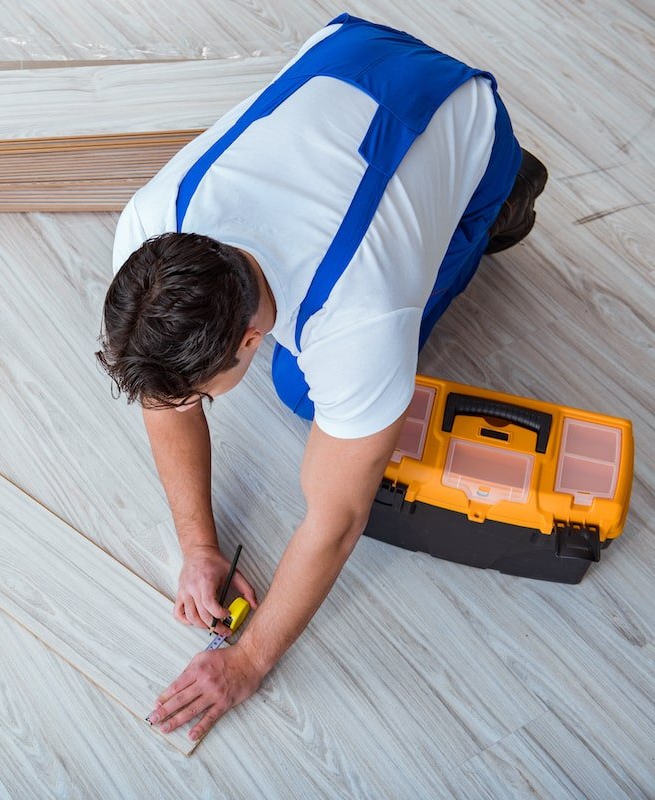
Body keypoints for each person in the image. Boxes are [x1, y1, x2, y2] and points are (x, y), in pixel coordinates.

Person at [95, 14, 547, 741]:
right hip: (351, 47)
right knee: (310, 389)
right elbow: (164, 398)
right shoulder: (150, 229)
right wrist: (198, 548)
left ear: (250, 337)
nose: (186, 405)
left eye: (203, 394)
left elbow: (336, 524)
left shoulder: (360, 324)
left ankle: (504, 188)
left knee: (309, 392)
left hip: (457, 111)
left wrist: (246, 663)